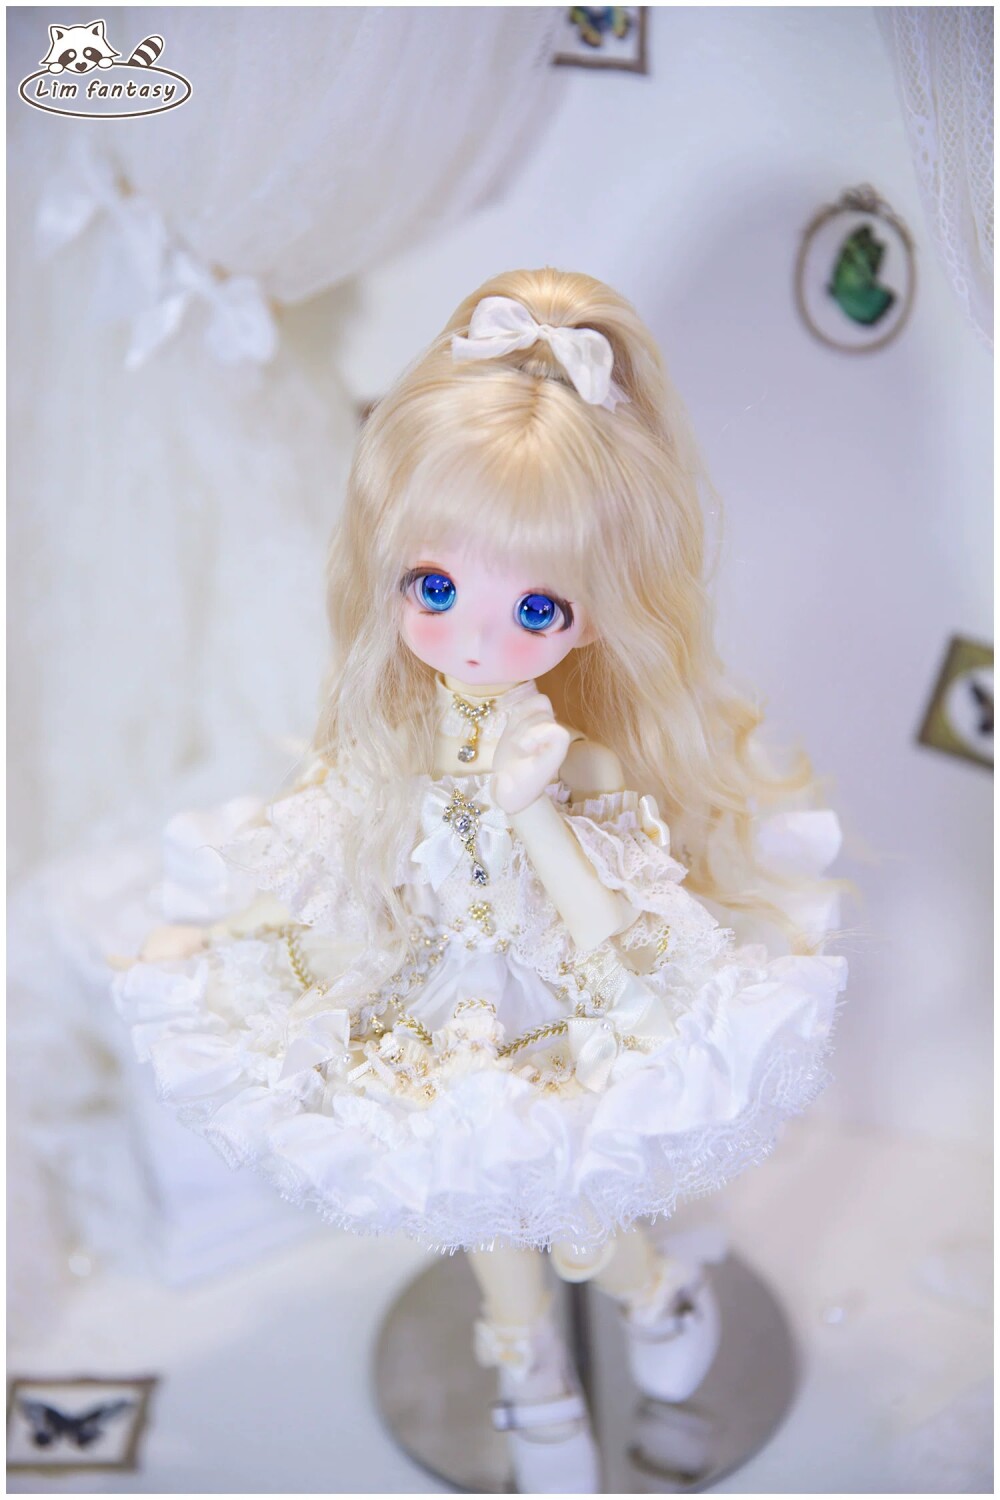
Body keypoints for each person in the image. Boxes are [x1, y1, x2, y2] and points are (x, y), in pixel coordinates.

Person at [114, 268, 847, 1492]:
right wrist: (227, 930)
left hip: (558, 991)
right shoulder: (395, 735)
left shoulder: (574, 756)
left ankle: (653, 1292)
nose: (471, 638)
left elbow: (608, 931)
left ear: (594, 616)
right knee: (480, 1196)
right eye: (436, 588)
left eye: (537, 605)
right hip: (433, 986)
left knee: (575, 1211)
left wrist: (534, 808)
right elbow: (328, 853)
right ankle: (529, 1372)